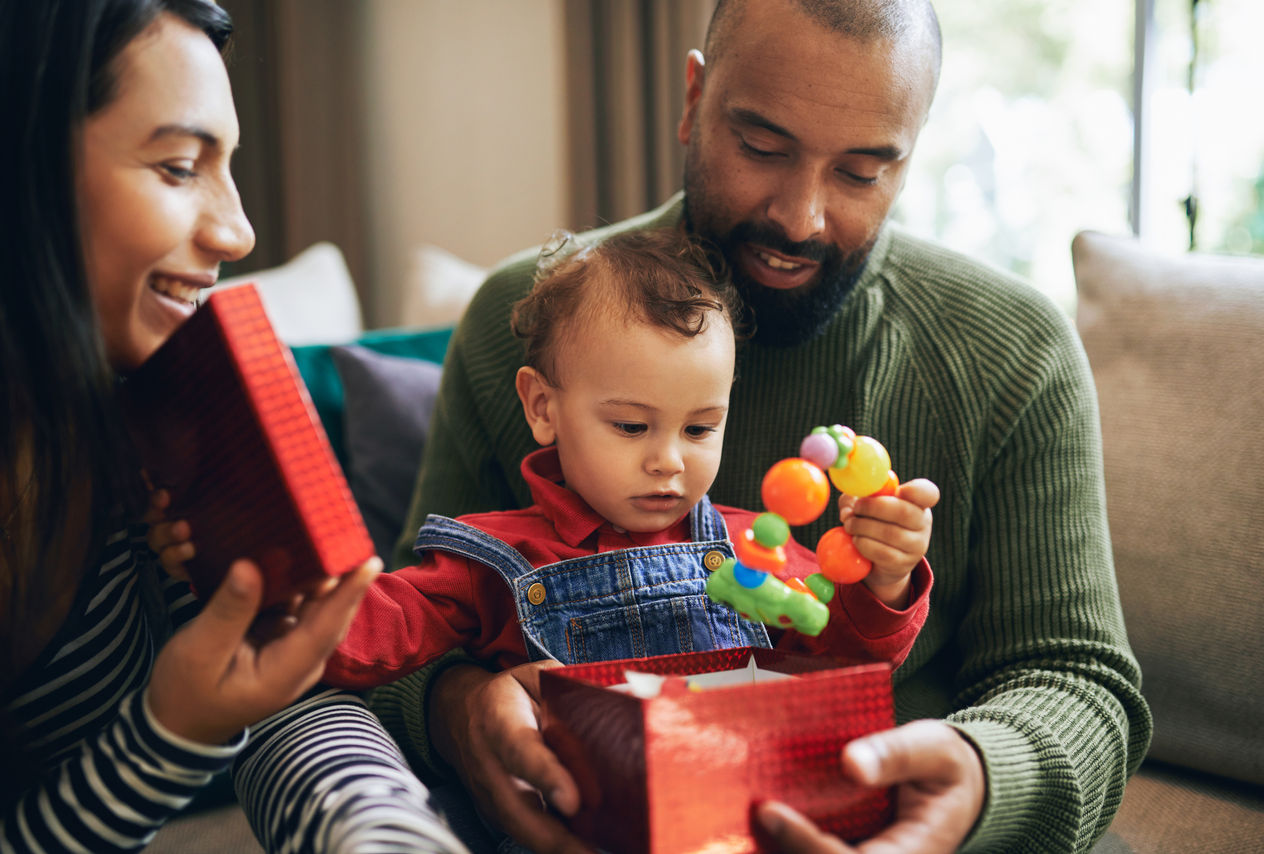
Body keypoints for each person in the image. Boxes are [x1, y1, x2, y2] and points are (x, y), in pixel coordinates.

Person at [380, 0, 1153, 852]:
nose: (801, 217)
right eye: (761, 147)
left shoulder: (1015, 349)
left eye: (861, 172)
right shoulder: (517, 321)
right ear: (693, 99)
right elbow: (394, 629)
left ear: (910, 154)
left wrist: (975, 778)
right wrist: (454, 712)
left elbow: (1080, 682)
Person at [0, 3, 467, 852]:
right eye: (180, 166)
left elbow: (281, 695)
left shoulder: (150, 412)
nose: (239, 231)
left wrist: (389, 834)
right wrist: (167, 735)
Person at [319, 228, 934, 694]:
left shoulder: (754, 550)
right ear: (542, 407)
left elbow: (850, 657)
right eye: (631, 426)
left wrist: (886, 579)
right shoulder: (491, 561)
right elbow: (366, 630)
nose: (668, 461)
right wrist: (293, 598)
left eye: (699, 427)